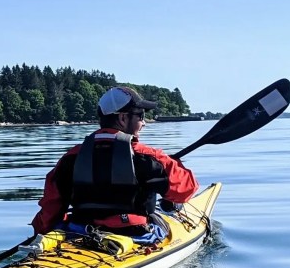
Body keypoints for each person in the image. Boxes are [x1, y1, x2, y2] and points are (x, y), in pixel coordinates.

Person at [30, 86, 199, 240]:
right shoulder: (148, 157)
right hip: (133, 235)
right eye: (140, 115)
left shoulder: (70, 158)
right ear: (123, 118)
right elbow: (186, 190)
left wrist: (42, 232)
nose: (144, 123)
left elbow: (51, 208)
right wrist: (174, 163)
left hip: (80, 233)